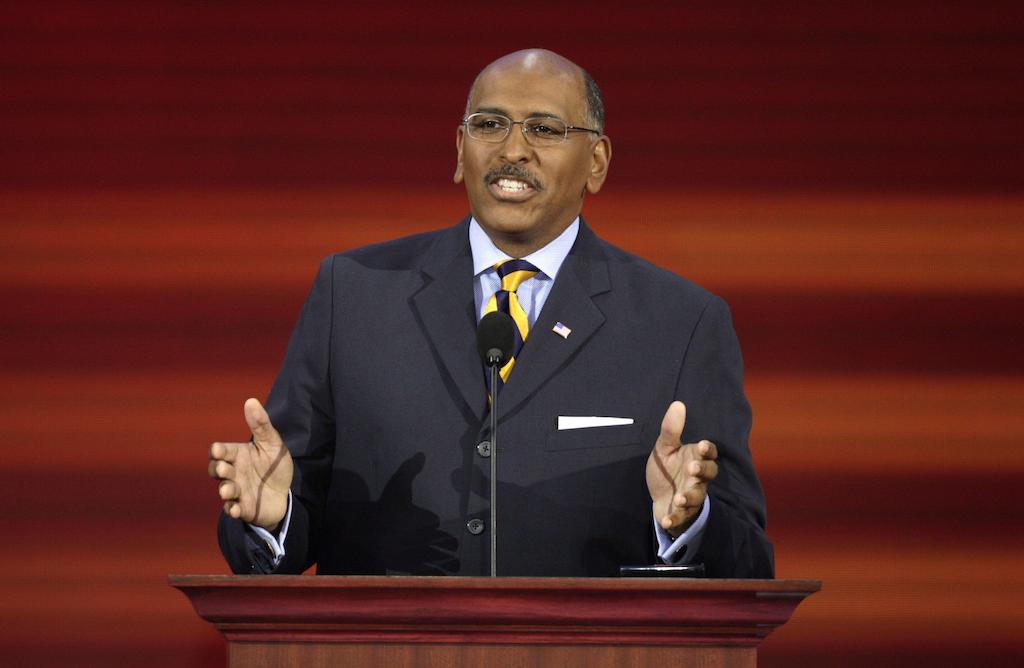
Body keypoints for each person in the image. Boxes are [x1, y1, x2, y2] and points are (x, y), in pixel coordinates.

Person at [209, 49, 773, 578]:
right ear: (459, 151)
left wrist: (690, 522)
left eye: (545, 129)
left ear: (596, 162)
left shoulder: (681, 323)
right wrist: (270, 517)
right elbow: (287, 498)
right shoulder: (351, 294)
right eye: (489, 125)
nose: (512, 150)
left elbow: (749, 558)